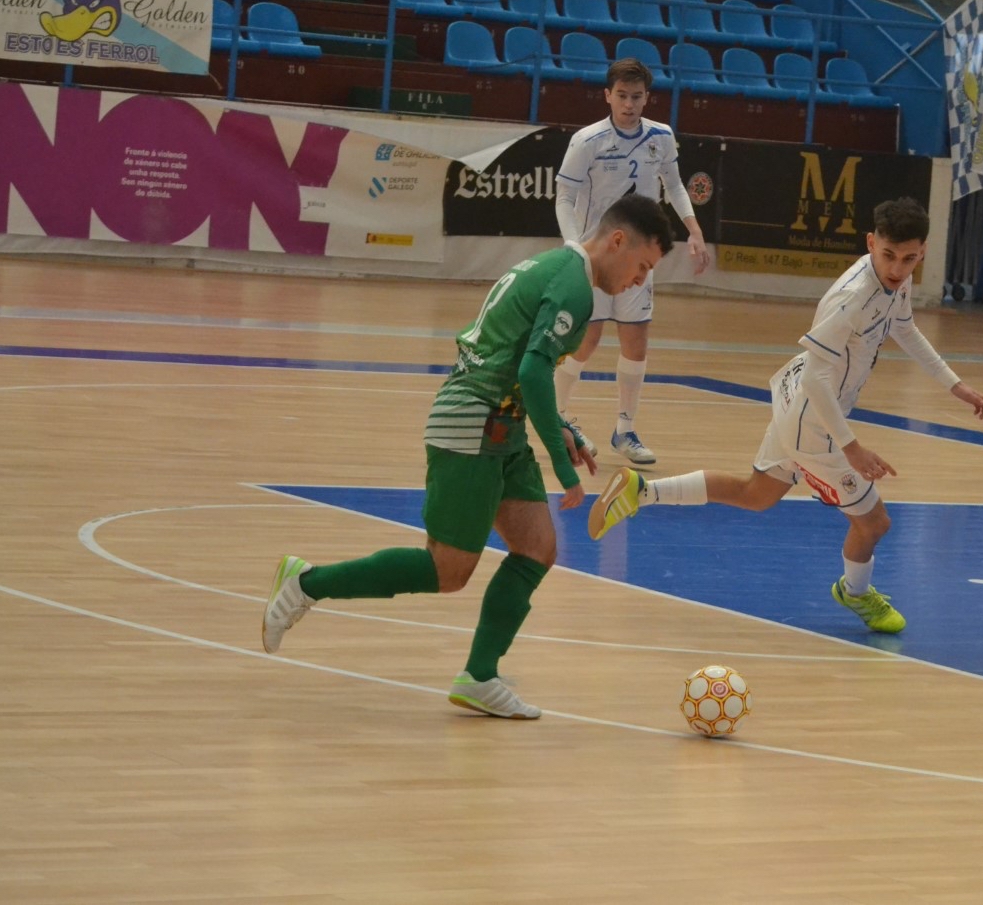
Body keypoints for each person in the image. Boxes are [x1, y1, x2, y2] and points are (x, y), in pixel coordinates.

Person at [261, 196, 675, 718]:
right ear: (618, 241)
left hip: (501, 425)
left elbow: (515, 364)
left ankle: (480, 676)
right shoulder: (573, 285)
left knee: (537, 548)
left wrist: (563, 428)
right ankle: (305, 584)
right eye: (643, 266)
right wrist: (561, 464)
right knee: (448, 569)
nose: (639, 281)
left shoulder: (554, 268)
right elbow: (530, 372)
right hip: (473, 424)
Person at [587, 197, 983, 633]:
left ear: (922, 252)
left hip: (801, 404)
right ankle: (855, 592)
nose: (898, 268)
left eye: (909, 258)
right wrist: (851, 448)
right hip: (813, 421)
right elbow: (818, 381)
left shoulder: (898, 281)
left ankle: (641, 492)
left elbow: (905, 327)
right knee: (874, 522)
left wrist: (955, 385)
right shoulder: (851, 298)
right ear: (870, 243)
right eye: (889, 255)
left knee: (755, 494)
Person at [551, 57, 712, 469]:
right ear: (607, 95)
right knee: (585, 341)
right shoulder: (587, 140)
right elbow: (564, 198)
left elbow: (674, 185)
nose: (628, 104)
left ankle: (624, 430)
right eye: (621, 96)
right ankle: (558, 420)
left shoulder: (662, 136)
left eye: (636, 97)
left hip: (639, 260)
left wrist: (694, 230)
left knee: (636, 343)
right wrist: (573, 246)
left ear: (647, 98)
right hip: (597, 259)